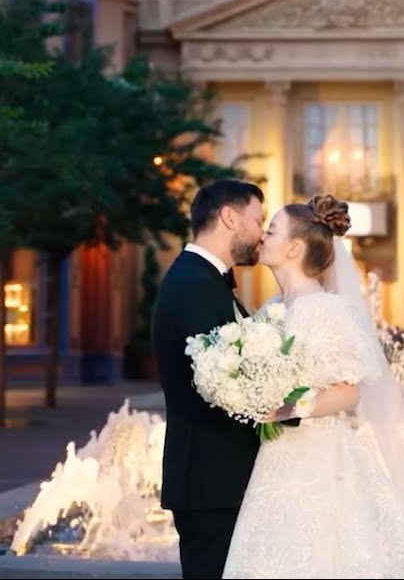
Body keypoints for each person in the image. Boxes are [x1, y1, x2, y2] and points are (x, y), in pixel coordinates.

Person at [223, 195, 404, 579]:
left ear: (294, 248)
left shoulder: (326, 310)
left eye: (272, 231)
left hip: (321, 456)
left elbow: (349, 391)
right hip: (276, 456)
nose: (262, 237)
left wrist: (290, 408)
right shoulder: (271, 308)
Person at [152, 179, 269, 579]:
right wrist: (292, 407)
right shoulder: (192, 286)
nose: (261, 234)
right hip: (210, 481)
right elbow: (220, 386)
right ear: (229, 217)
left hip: (220, 478)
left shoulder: (205, 281)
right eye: (258, 221)